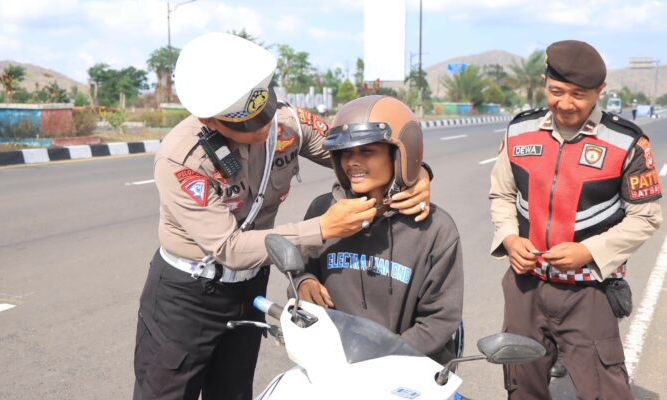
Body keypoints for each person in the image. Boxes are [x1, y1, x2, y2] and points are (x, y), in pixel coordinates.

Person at [132, 33, 434, 400]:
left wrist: (416, 174)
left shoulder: (289, 124)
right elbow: (228, 247)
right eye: (245, 124)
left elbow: (363, 156)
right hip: (187, 296)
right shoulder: (182, 161)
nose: (262, 127)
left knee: (233, 391)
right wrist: (324, 227)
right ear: (210, 119)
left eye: (266, 112)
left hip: (248, 289)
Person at [489, 40, 662, 399]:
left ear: (600, 92)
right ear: (544, 83)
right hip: (526, 287)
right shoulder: (519, 131)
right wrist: (509, 238)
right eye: (556, 91)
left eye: (579, 95)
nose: (565, 104)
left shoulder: (627, 142)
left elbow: (644, 217)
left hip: (590, 290)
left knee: (604, 390)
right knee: (522, 386)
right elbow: (503, 195)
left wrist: (589, 252)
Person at [294, 95, 464, 364]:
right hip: (334, 362)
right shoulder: (325, 211)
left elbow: (440, 318)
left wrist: (382, 355)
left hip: (405, 366)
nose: (352, 162)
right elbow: (300, 266)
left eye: (367, 151)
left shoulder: (434, 228)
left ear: (400, 154)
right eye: (346, 153)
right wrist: (303, 281)